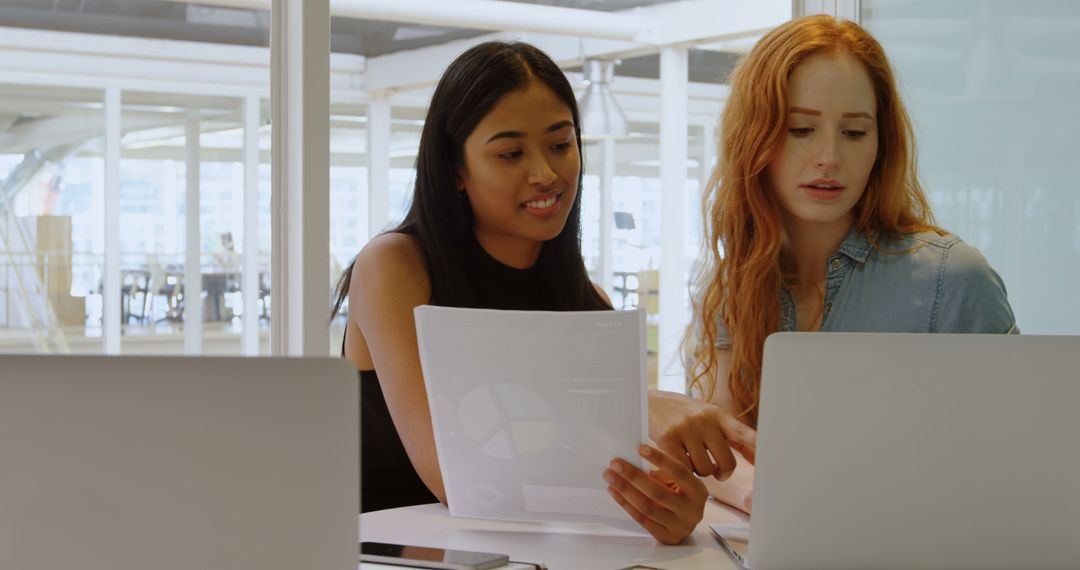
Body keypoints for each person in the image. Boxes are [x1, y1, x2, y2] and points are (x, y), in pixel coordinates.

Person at [603, 14, 1017, 540]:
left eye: (854, 132)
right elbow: (724, 466)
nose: (829, 158)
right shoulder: (732, 283)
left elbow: (1016, 471)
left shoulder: (952, 281)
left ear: (880, 144)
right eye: (800, 129)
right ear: (756, 139)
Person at [332, 41, 628, 515]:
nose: (546, 173)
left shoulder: (586, 301)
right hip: (390, 552)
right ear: (455, 170)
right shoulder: (397, 267)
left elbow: (608, 476)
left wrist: (664, 501)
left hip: (534, 549)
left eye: (560, 144)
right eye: (511, 153)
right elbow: (461, 481)